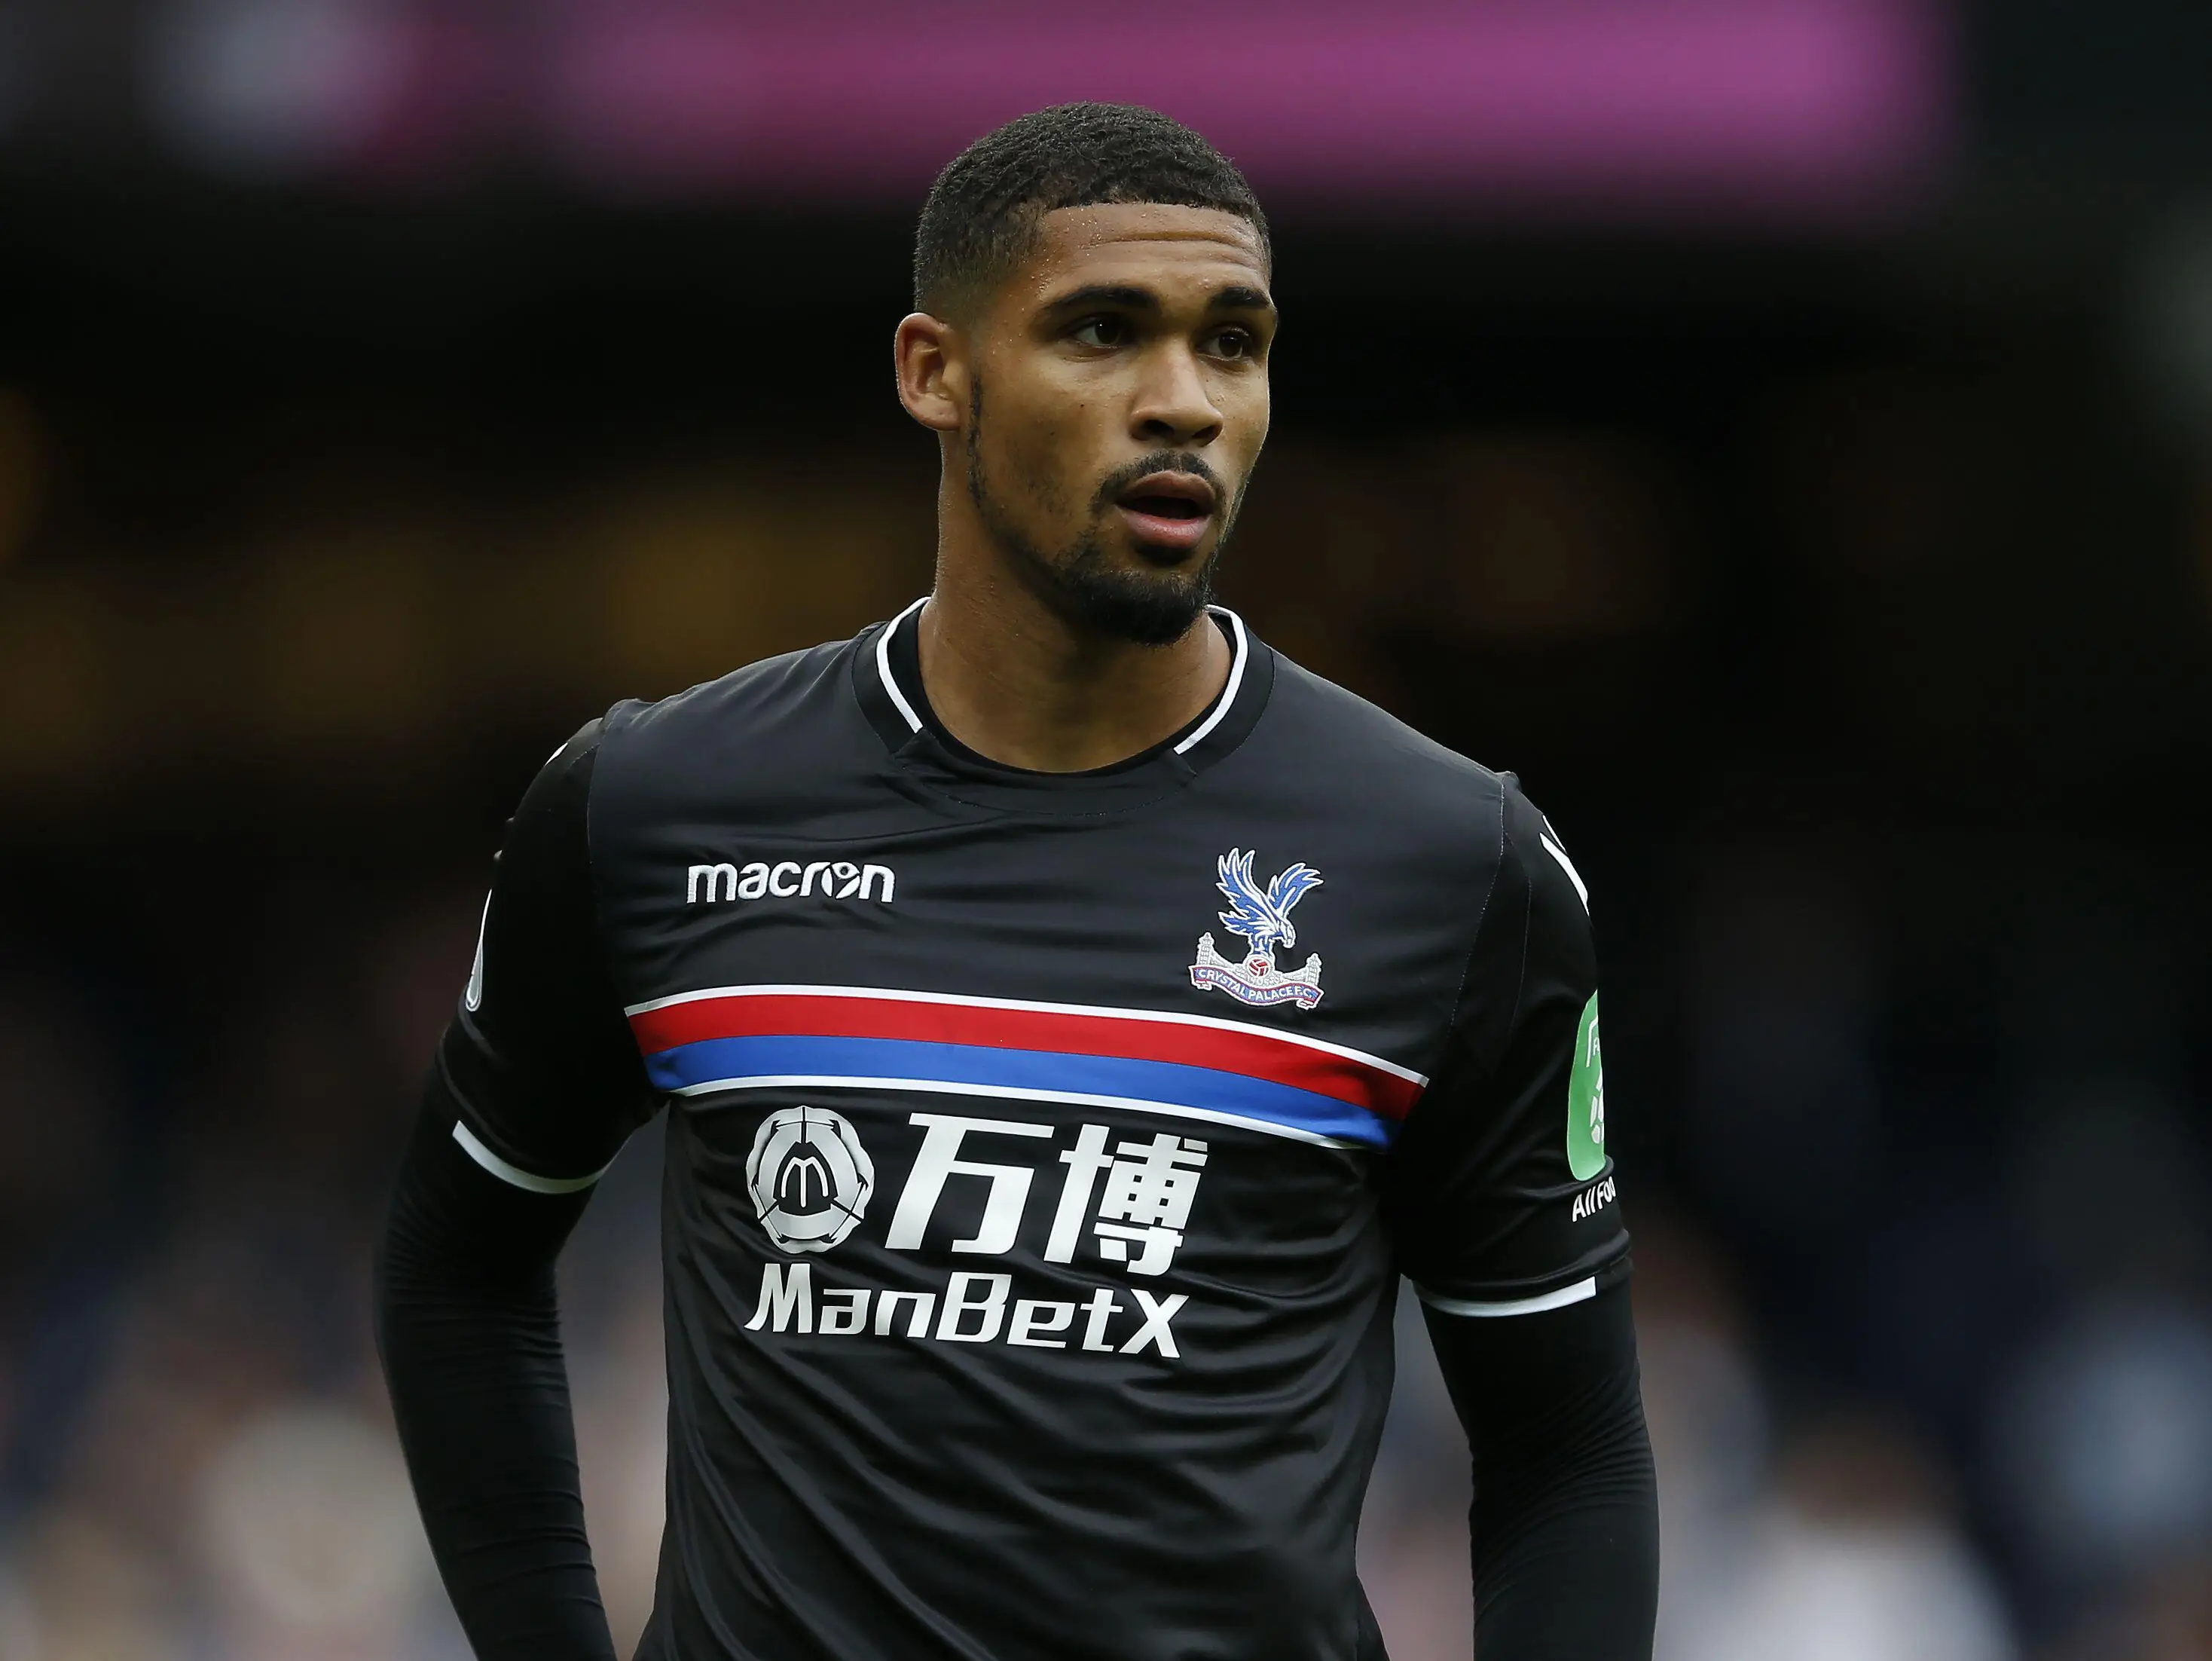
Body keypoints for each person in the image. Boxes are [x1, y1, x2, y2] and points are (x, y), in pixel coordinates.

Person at [376, 102, 1657, 1661]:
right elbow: (457, 1263)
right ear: (936, 372)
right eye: (1103, 331)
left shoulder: (1457, 864)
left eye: (1232, 342)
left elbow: (1567, 1459)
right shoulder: (654, 803)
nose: (1181, 401)